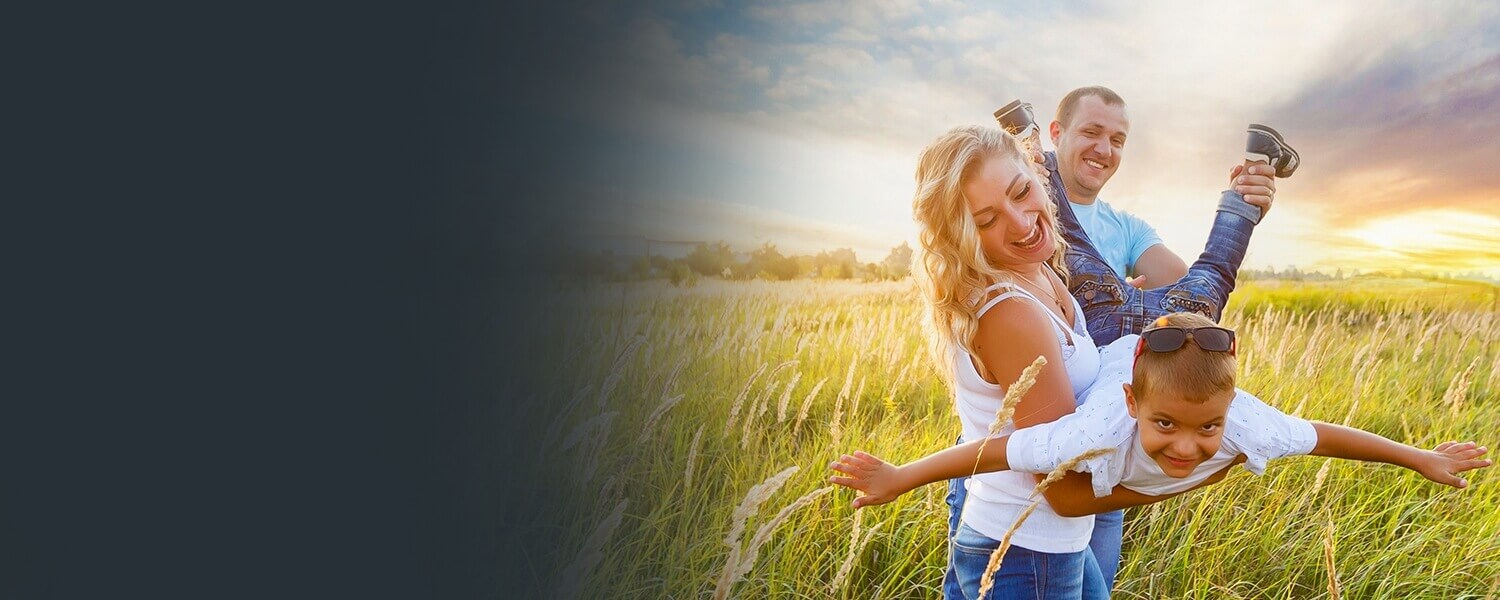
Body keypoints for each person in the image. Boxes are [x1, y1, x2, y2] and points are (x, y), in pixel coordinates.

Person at [947, 87, 1301, 592]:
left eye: (1117, 139)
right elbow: (1058, 487)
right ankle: (1246, 183)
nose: (1104, 149)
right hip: (1025, 489)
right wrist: (1204, 469)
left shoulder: (1124, 225)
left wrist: (1246, 213)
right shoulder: (1027, 230)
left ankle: (1245, 194)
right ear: (1056, 135)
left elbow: (1182, 304)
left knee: (1202, 296)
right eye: (1091, 132)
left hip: (1105, 432)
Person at [830, 312, 1492, 509]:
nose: (1187, 446)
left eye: (1209, 426)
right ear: (1134, 408)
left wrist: (1420, 458)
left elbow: (1325, 436)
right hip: (1125, 354)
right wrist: (899, 476)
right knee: (1136, 321)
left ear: (1230, 408)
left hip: (1159, 356)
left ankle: (1174, 310)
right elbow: (996, 450)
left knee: (1202, 287)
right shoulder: (1096, 430)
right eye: (1166, 425)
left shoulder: (1249, 422)